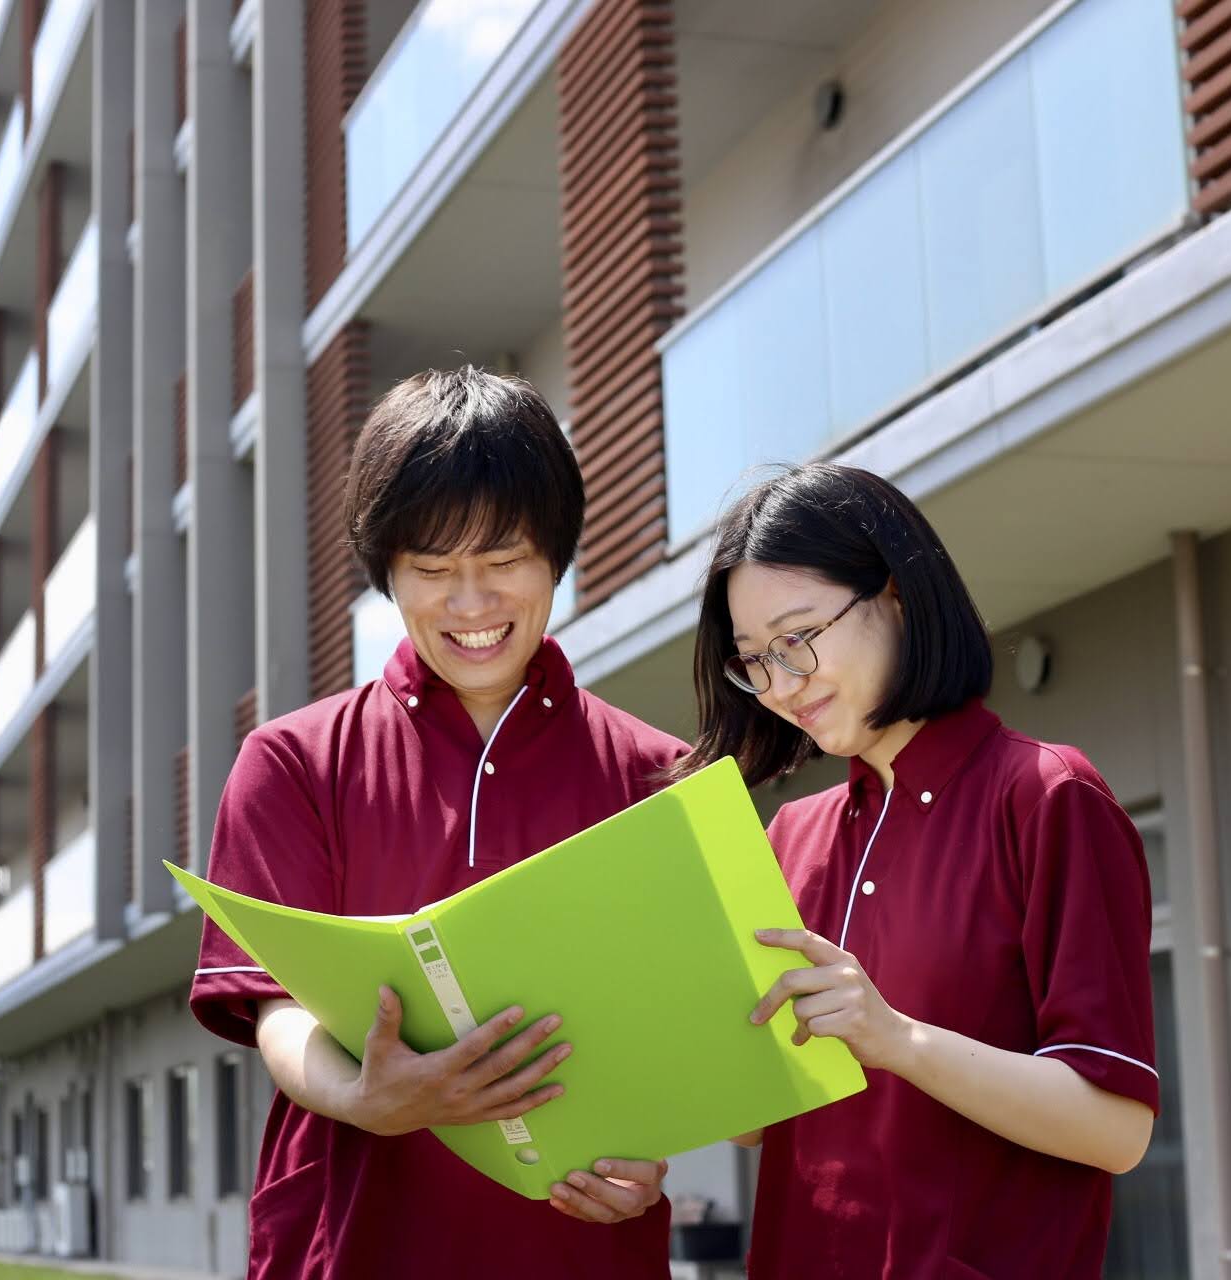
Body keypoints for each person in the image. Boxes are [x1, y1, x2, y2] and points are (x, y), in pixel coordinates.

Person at [190, 368, 683, 1278]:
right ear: (386, 572)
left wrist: (649, 1166)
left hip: (583, 1251)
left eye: (502, 563)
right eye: (432, 570)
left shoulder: (661, 776)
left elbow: (687, 1039)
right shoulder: (294, 762)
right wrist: (364, 1095)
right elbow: (275, 1006)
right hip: (349, 1245)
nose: (470, 605)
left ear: (557, 559)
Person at [672, 463, 1158, 1279]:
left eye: (797, 639)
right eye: (753, 660)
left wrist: (894, 1038)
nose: (781, 685)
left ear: (895, 594)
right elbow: (757, 1126)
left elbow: (1116, 1128)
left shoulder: (1045, 796)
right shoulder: (792, 834)